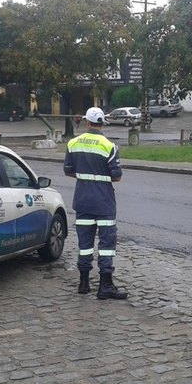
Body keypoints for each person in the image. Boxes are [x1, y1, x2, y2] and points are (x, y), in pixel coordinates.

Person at [64, 107, 127, 300]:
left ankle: (83, 283)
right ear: (102, 123)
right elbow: (117, 177)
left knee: (85, 245)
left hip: (82, 201)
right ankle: (105, 286)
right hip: (104, 203)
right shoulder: (109, 146)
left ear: (87, 122)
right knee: (107, 245)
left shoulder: (73, 143)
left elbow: (68, 171)